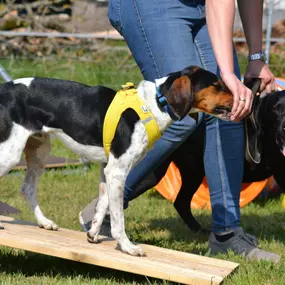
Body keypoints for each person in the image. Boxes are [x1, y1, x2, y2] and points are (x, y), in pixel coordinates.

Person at [79, 0, 279, 262]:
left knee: (227, 111)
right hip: (152, 5)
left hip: (203, 5)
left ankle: (227, 233)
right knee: (181, 115)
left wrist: (256, 57)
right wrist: (228, 73)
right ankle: (103, 208)